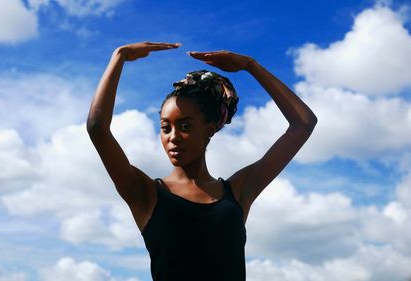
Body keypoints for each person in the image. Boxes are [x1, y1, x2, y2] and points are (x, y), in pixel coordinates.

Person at [87, 42, 317, 281]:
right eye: (166, 128)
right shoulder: (146, 194)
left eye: (185, 126)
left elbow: (303, 124)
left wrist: (251, 66)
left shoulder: (238, 192)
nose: (173, 137)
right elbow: (97, 128)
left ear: (209, 129)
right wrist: (119, 56)